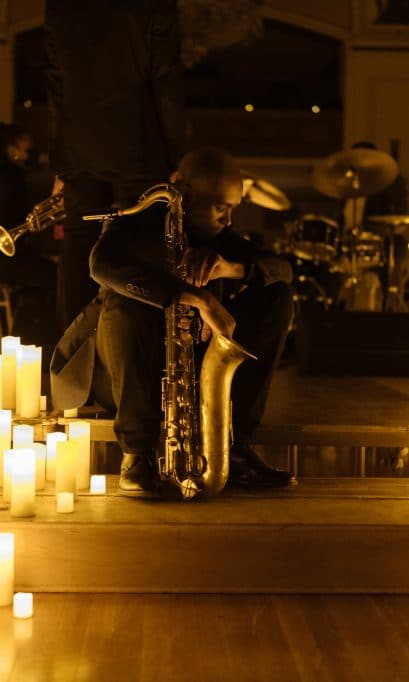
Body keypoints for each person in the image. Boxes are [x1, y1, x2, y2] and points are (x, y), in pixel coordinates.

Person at [51, 148, 294, 497]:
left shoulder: (217, 236)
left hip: (176, 370)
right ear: (185, 194)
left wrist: (230, 267)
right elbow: (100, 265)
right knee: (125, 301)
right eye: (220, 207)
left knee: (277, 297)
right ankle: (136, 454)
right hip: (111, 371)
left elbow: (283, 269)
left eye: (232, 209)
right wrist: (197, 298)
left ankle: (233, 445)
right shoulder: (137, 221)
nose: (228, 220)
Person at [45, 0, 185, 333]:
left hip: (77, 149)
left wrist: (61, 161)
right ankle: (130, 360)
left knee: (77, 256)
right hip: (138, 147)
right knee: (134, 254)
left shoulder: (60, 7)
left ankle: (70, 361)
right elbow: (166, 81)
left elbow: (55, 85)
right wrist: (177, 157)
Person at [0, 122, 54, 288]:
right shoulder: (7, 178)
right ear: (11, 150)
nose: (31, 145)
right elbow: (5, 224)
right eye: (24, 142)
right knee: (53, 275)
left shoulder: (2, 176)